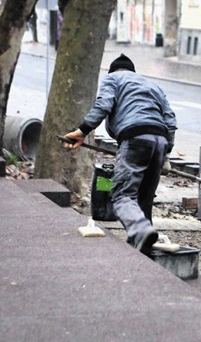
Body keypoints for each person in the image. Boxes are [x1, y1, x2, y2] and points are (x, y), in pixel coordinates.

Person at [62, 54, 177, 255]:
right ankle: (142, 245)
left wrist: (82, 131)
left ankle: (140, 231)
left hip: (135, 136)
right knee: (144, 198)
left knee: (122, 194)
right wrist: (166, 152)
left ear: (113, 71)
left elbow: (103, 105)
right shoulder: (153, 86)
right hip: (160, 139)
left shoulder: (112, 79)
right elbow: (170, 120)